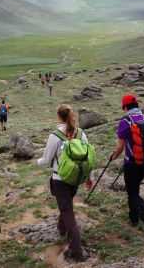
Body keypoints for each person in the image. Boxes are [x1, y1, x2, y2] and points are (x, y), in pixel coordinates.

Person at [37, 105, 93, 262]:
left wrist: (37, 161)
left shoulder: (55, 136)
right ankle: (61, 229)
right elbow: (87, 158)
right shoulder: (81, 133)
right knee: (66, 205)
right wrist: (88, 177)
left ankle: (77, 251)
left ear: (58, 116)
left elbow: (47, 160)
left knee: (68, 212)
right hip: (75, 179)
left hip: (60, 180)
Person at [110, 94, 144, 238]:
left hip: (132, 162)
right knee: (134, 189)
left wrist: (113, 157)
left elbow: (120, 147)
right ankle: (133, 217)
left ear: (125, 107)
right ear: (137, 105)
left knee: (132, 192)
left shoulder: (126, 121)